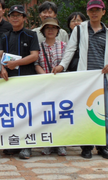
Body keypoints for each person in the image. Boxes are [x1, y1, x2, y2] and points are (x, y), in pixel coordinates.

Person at [53, 0, 108, 160]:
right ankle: (86, 147)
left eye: (98, 10)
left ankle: (103, 146)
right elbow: (70, 50)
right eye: (91, 10)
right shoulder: (79, 30)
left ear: (103, 12)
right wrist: (62, 66)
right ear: (88, 12)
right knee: (85, 113)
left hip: (102, 79)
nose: (94, 13)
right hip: (85, 79)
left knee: (102, 114)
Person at [0, 5, 39, 159]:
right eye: (12, 15)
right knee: (11, 113)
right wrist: (2, 67)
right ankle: (14, 144)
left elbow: (35, 56)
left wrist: (16, 63)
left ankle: (27, 146)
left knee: (27, 114)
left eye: (18, 15)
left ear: (24, 18)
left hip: (27, 80)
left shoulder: (31, 35)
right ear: (8, 18)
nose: (15, 18)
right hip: (9, 81)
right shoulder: (5, 36)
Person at [34, 18, 67, 156]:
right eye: (47, 28)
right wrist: (46, 76)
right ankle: (47, 143)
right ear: (43, 31)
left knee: (60, 114)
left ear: (58, 30)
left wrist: (58, 72)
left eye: (53, 28)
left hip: (61, 85)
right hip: (45, 84)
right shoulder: (39, 47)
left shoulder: (64, 46)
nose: (50, 30)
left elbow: (67, 62)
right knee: (46, 114)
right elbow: (36, 63)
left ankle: (60, 144)